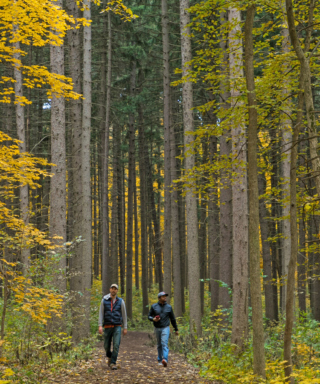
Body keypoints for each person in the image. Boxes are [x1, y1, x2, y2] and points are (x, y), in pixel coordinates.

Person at [98, 284, 127, 370]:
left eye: (115, 289)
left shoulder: (121, 301)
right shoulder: (104, 300)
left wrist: (125, 327)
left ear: (117, 291)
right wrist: (100, 325)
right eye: (112, 288)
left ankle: (113, 363)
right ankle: (109, 356)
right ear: (110, 289)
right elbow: (101, 313)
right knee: (106, 346)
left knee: (116, 345)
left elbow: (124, 315)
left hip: (117, 326)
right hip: (107, 326)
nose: (113, 290)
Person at [148, 292, 179, 367]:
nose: (165, 297)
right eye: (163, 296)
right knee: (159, 345)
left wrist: (176, 329)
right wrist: (153, 319)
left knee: (164, 343)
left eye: (165, 296)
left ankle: (165, 359)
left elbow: (172, 319)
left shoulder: (169, 307)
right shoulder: (154, 306)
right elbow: (149, 316)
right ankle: (159, 360)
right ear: (159, 298)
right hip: (157, 328)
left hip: (166, 327)